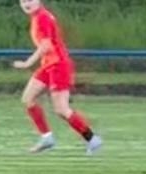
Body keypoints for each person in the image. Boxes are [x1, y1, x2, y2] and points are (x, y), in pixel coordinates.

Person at [12, 0, 101, 155]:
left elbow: (46, 46)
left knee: (61, 109)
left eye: (30, 0)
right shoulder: (38, 17)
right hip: (48, 65)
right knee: (28, 98)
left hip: (58, 65)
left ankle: (92, 139)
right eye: (23, 1)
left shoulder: (42, 17)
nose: (26, 4)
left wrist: (27, 63)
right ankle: (47, 138)